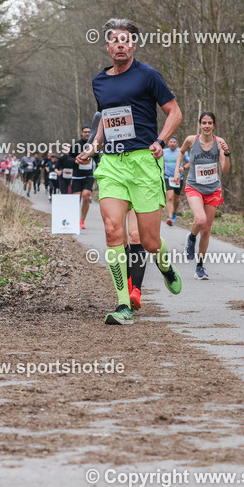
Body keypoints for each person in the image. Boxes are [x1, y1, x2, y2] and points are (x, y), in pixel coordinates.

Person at [78, 18, 183, 325]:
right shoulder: (100, 81)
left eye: (126, 40)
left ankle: (165, 266)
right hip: (111, 163)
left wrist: (161, 141)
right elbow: (105, 121)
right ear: (107, 46)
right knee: (113, 230)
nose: (121, 45)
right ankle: (123, 304)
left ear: (133, 45)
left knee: (149, 242)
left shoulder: (148, 75)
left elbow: (174, 112)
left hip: (142, 162)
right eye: (115, 40)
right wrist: (93, 147)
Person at [177, 111, 230, 280]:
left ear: (214, 125)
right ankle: (191, 237)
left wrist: (226, 154)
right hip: (194, 187)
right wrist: (178, 169)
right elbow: (181, 152)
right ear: (200, 124)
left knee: (206, 231)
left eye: (210, 123)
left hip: (213, 189)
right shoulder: (191, 140)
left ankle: (199, 266)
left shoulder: (219, 142)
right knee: (200, 220)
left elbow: (226, 169)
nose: (207, 126)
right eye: (204, 123)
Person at [70, 125, 97, 229]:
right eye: (85, 132)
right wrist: (76, 161)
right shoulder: (76, 144)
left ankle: (82, 221)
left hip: (88, 175)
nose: (87, 134)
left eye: (89, 132)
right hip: (77, 175)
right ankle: (73, 218)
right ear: (81, 133)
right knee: (77, 197)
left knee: (86, 195)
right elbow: (69, 157)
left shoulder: (93, 145)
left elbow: (97, 159)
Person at [162, 136, 182, 225]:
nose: (172, 143)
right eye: (171, 142)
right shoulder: (164, 152)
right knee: (169, 197)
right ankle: (169, 217)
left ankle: (174, 212)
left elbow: (189, 162)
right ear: (168, 143)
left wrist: (183, 167)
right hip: (168, 177)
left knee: (176, 199)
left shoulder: (181, 151)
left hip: (178, 178)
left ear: (177, 144)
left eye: (174, 142)